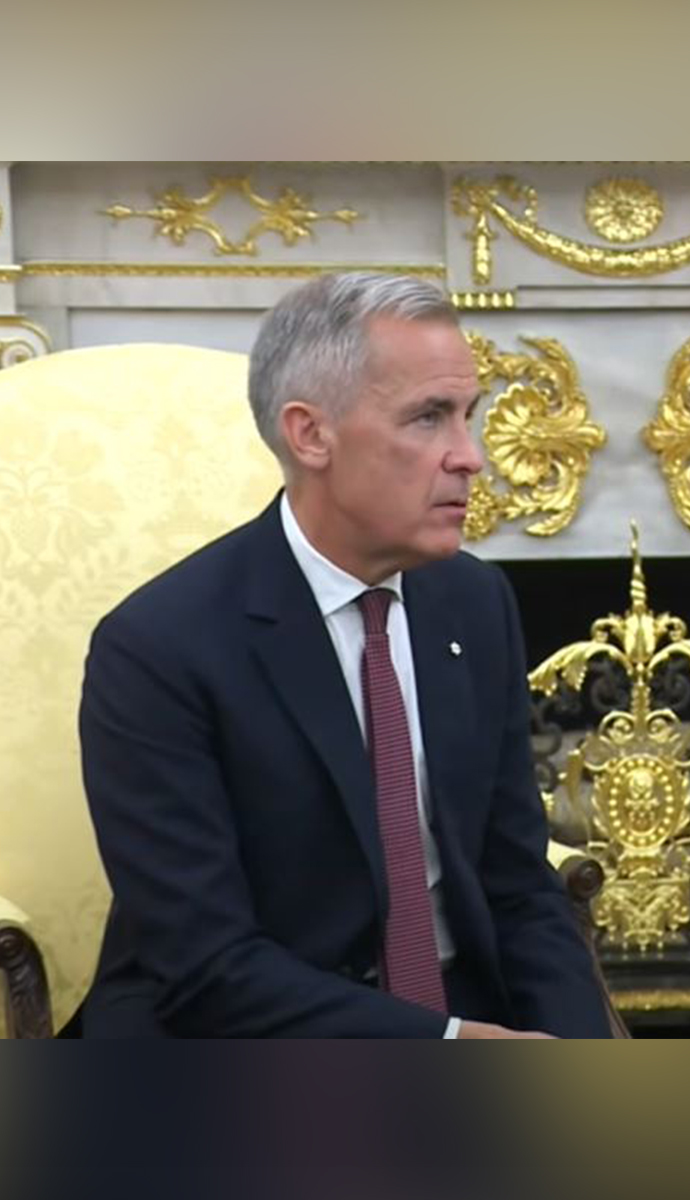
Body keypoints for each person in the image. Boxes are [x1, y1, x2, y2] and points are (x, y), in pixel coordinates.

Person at [78, 272, 613, 1037]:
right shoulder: (159, 648)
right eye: (429, 418)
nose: (472, 458)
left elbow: (519, 887)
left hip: (467, 1007)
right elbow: (206, 966)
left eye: (469, 416)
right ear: (311, 434)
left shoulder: (475, 603)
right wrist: (451, 1046)